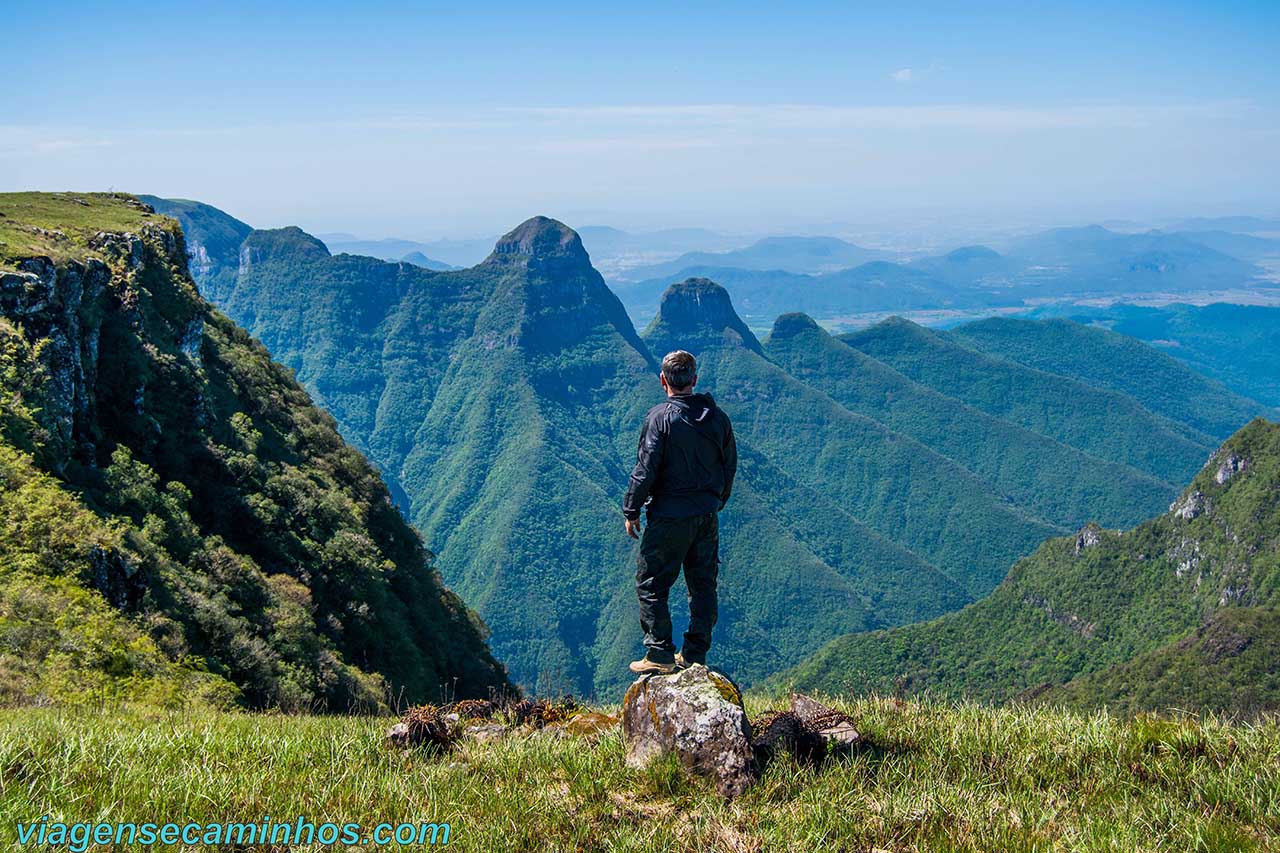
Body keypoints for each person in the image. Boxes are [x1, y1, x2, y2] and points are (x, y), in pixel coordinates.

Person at [622, 350, 737, 674]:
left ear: (663, 381)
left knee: (651, 582)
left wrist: (631, 510)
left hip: (669, 517)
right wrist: (717, 501)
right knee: (702, 586)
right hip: (706, 516)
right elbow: (729, 466)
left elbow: (645, 470)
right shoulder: (718, 418)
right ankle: (695, 654)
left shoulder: (660, 418)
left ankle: (659, 653)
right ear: (694, 380)